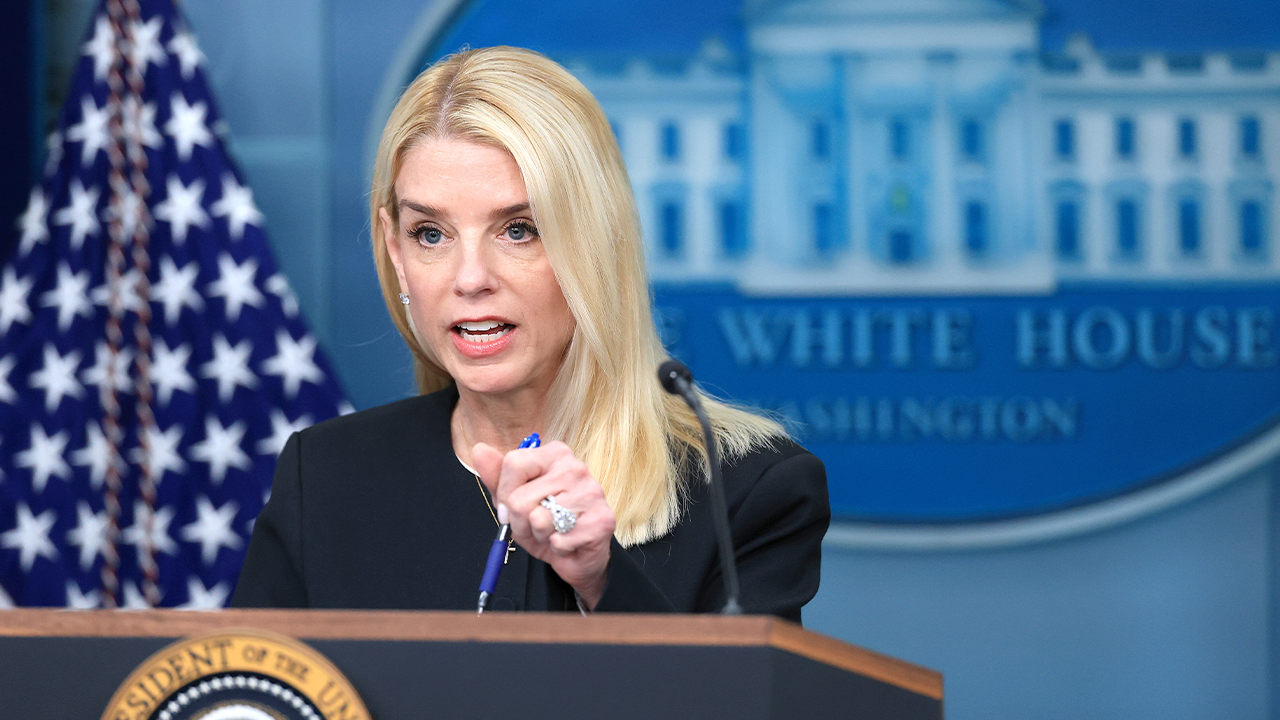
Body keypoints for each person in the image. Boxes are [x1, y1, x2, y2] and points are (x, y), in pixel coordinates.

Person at [232, 46, 829, 621]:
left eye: (518, 229)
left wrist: (601, 580)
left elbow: (732, 685)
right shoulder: (327, 475)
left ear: (594, 244)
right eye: (431, 234)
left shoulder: (745, 491)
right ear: (396, 251)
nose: (470, 278)